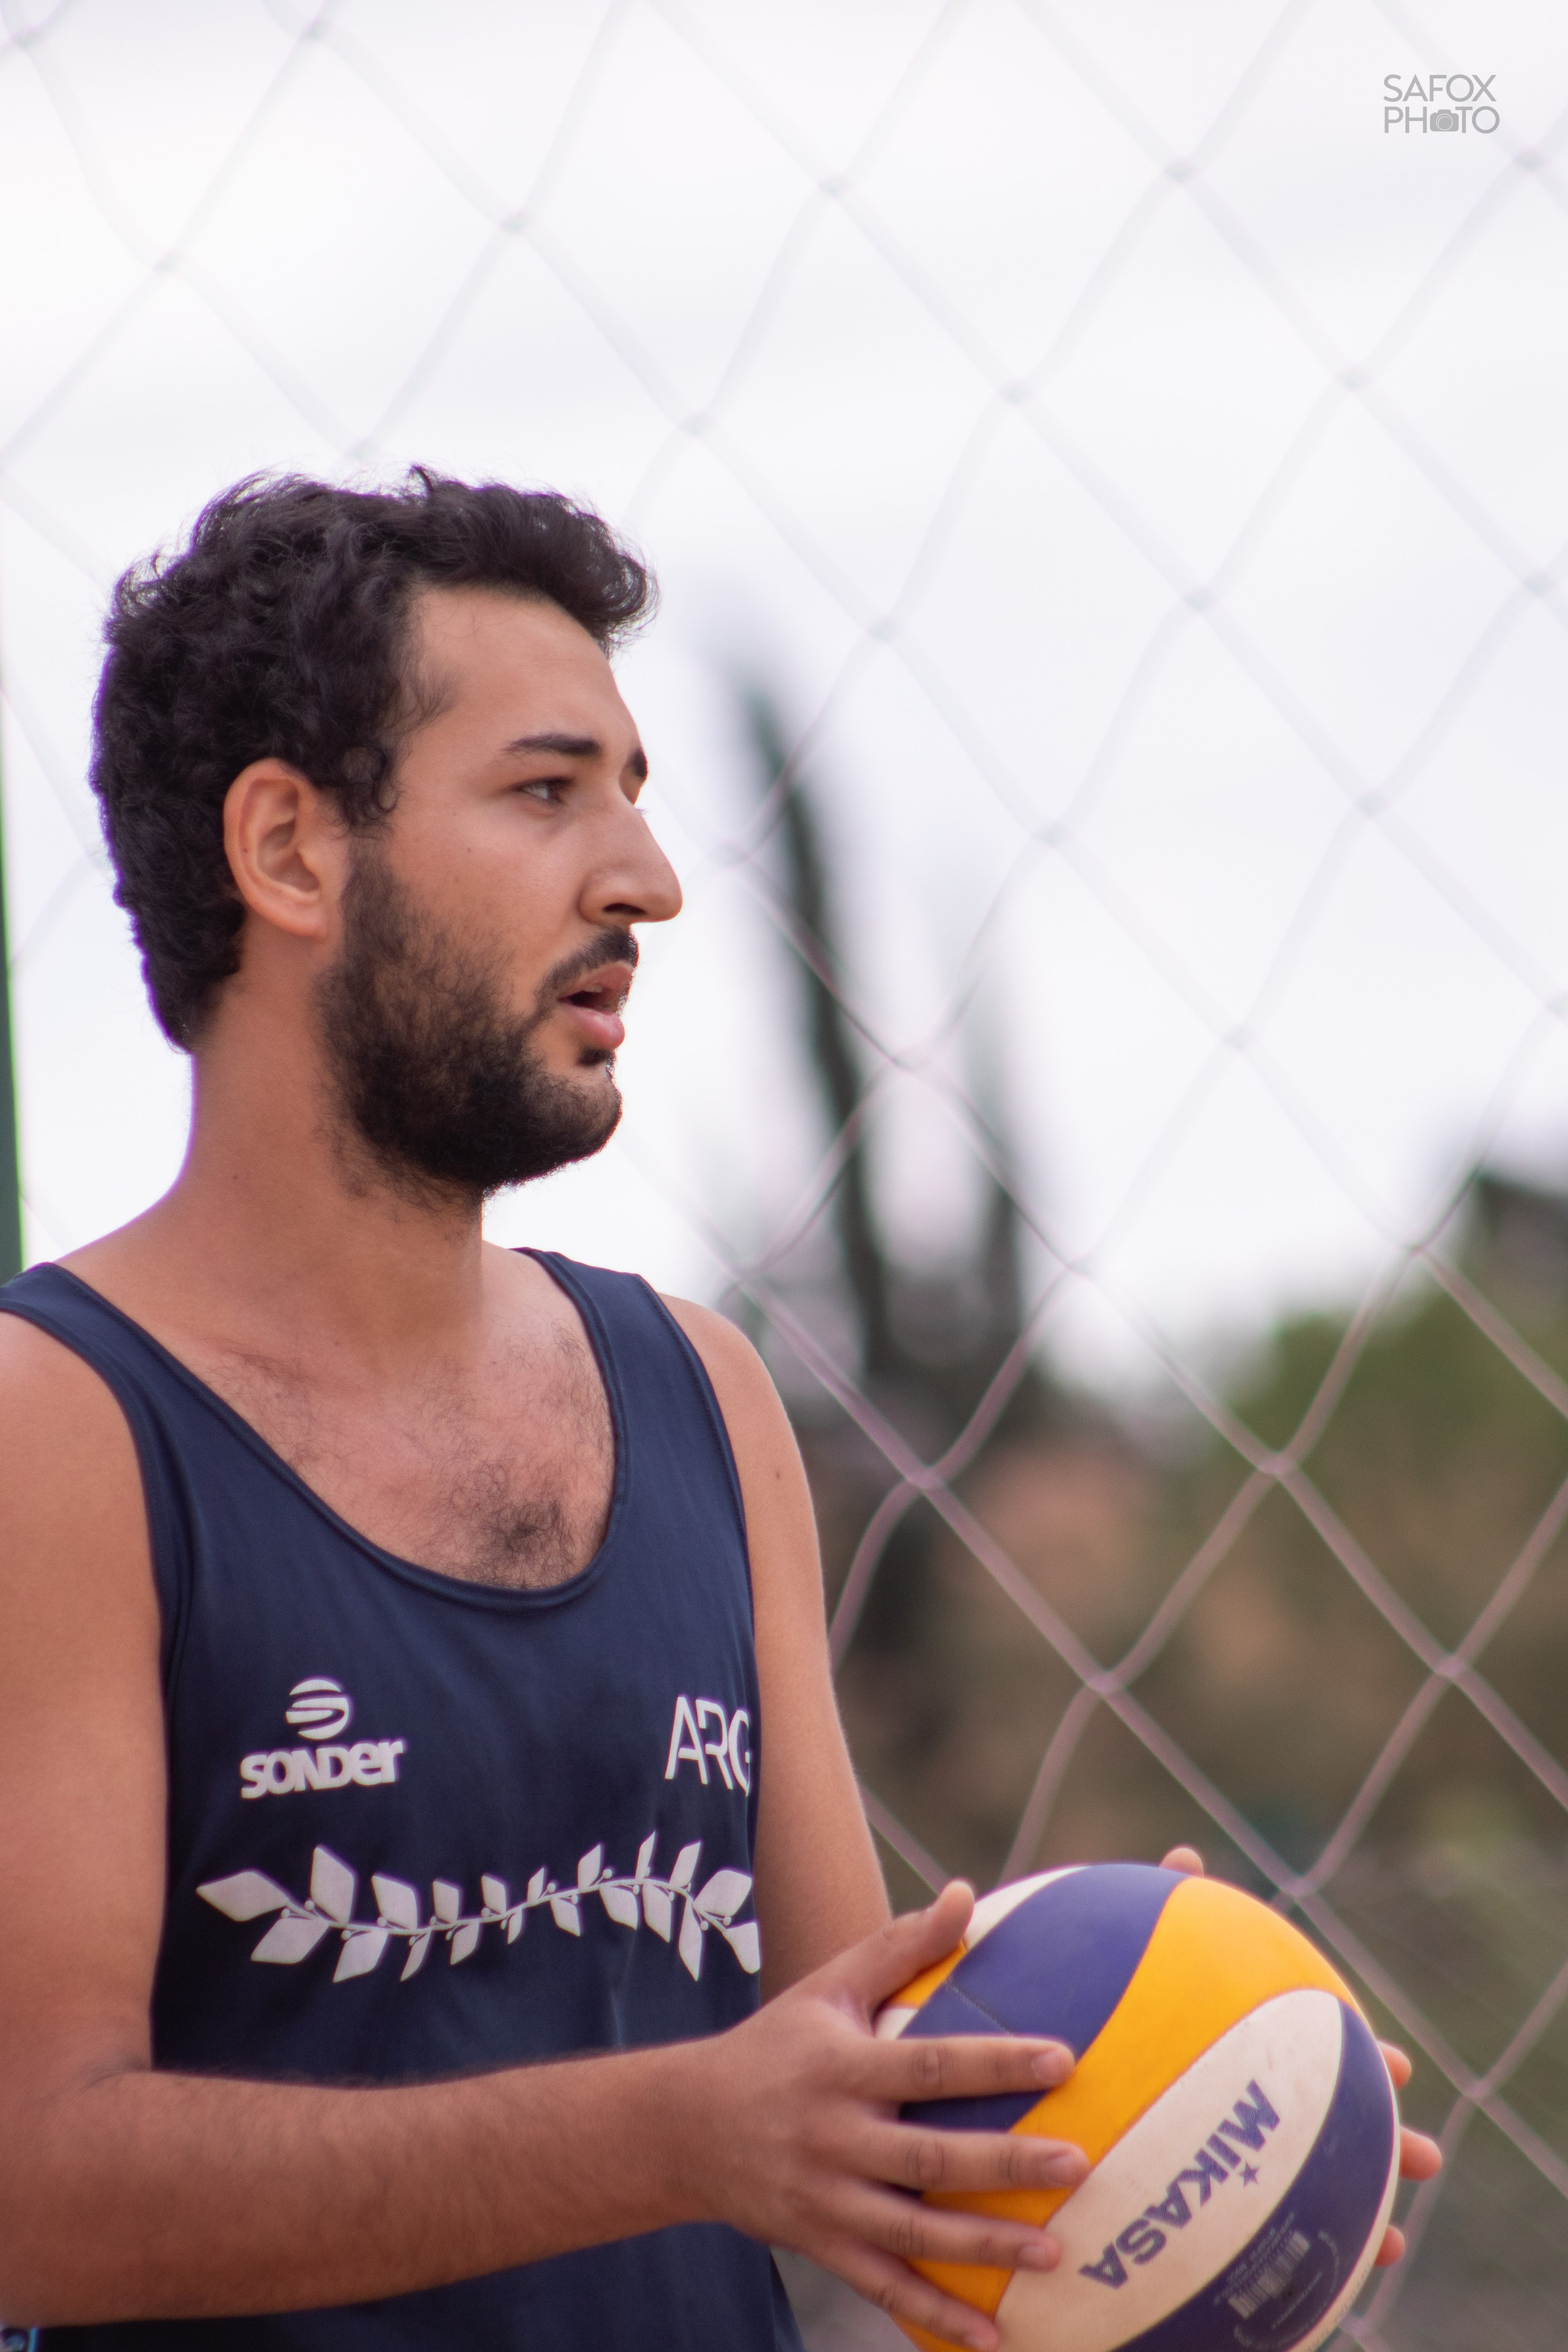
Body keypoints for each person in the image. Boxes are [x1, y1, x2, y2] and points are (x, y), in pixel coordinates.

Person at [0, 473, 1439, 2352]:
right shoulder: (64, 1430)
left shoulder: (699, 1397)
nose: (646, 880)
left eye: (637, 792)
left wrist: (1128, 2070)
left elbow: (855, 2093)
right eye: (544, 791)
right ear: (289, 850)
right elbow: (34, 2189)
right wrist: (680, 2133)